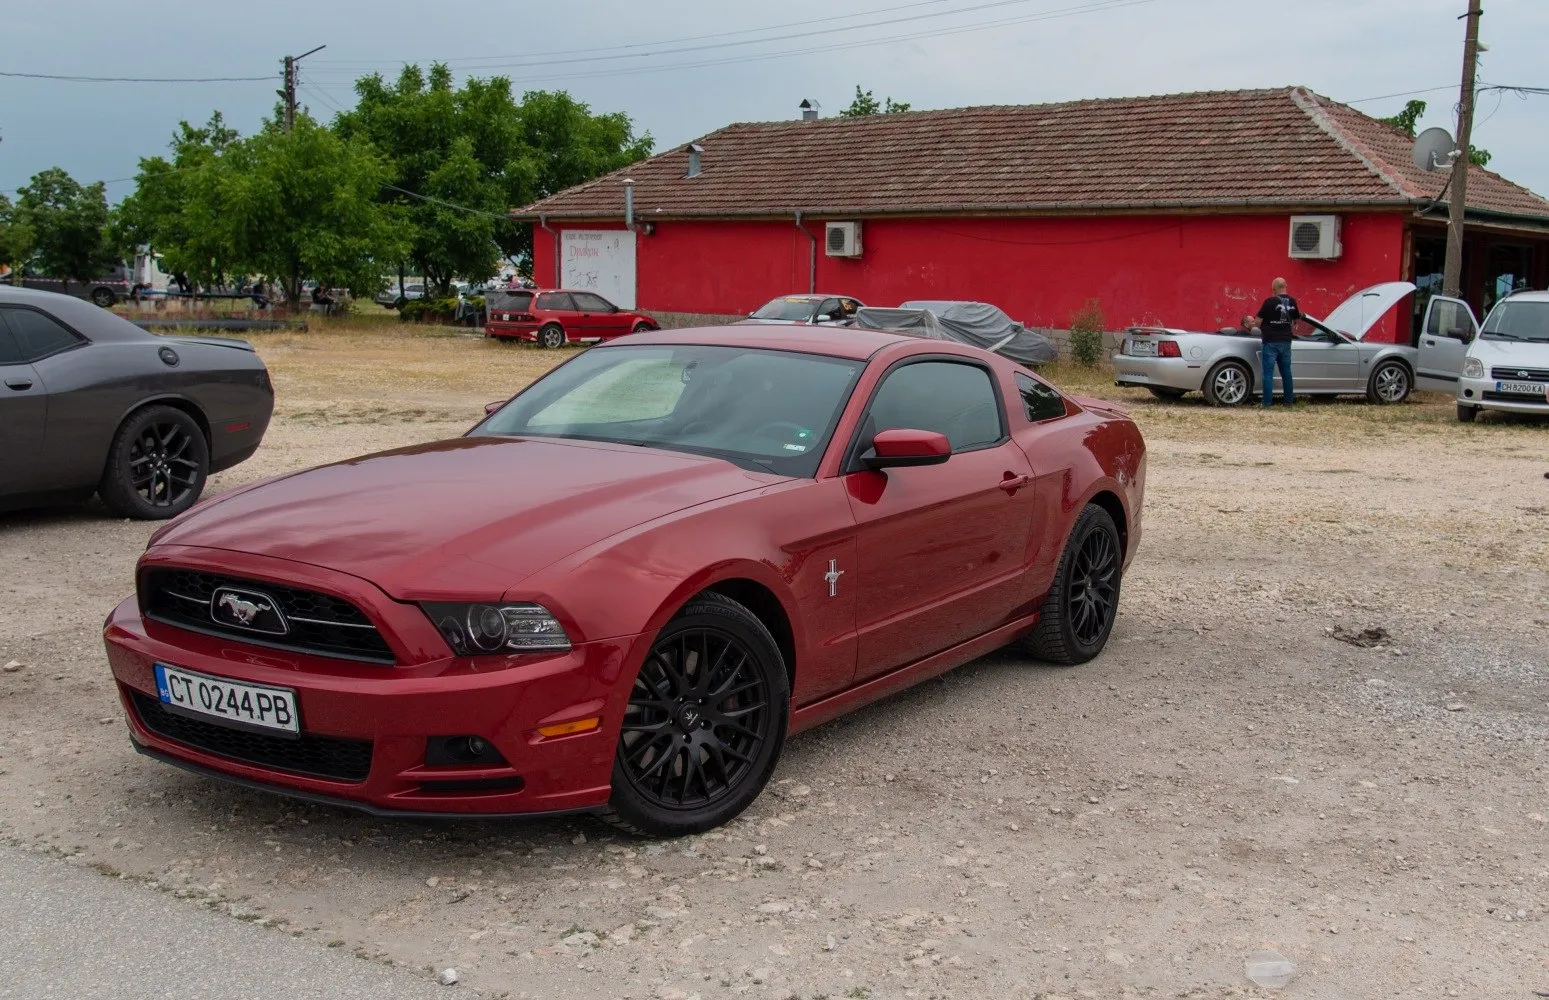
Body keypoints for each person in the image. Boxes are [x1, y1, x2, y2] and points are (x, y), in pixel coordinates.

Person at [1255, 278, 1300, 407]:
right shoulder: (1292, 301)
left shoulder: (1269, 301)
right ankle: (1288, 402)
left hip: (1270, 341)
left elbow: (1257, 321)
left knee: (1268, 373)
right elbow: (1296, 319)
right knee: (1286, 372)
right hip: (1286, 341)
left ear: (1273, 289)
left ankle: (1267, 403)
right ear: (1286, 286)